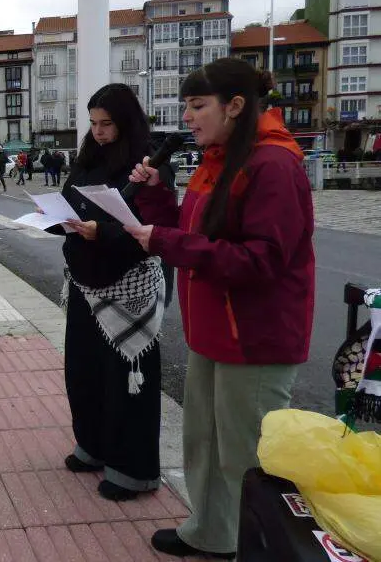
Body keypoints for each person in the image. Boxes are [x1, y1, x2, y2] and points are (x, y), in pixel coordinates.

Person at [125, 58, 315, 560]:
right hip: (211, 331)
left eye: (196, 105)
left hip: (253, 337)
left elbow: (262, 260)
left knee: (247, 455)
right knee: (204, 441)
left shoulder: (272, 164)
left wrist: (165, 240)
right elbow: (194, 237)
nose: (186, 116)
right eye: (186, 105)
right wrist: (157, 198)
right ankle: (211, 532)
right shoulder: (220, 157)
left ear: (234, 106)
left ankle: (256, 547)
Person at [45, 84, 172, 505]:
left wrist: (105, 232)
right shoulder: (88, 157)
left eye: (107, 124)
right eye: (94, 124)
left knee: (127, 380)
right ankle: (93, 445)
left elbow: (153, 226)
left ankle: (132, 469)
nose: (99, 133)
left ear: (126, 121)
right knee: (84, 370)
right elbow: (68, 201)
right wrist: (55, 221)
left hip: (127, 285)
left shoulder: (147, 162)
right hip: (85, 278)